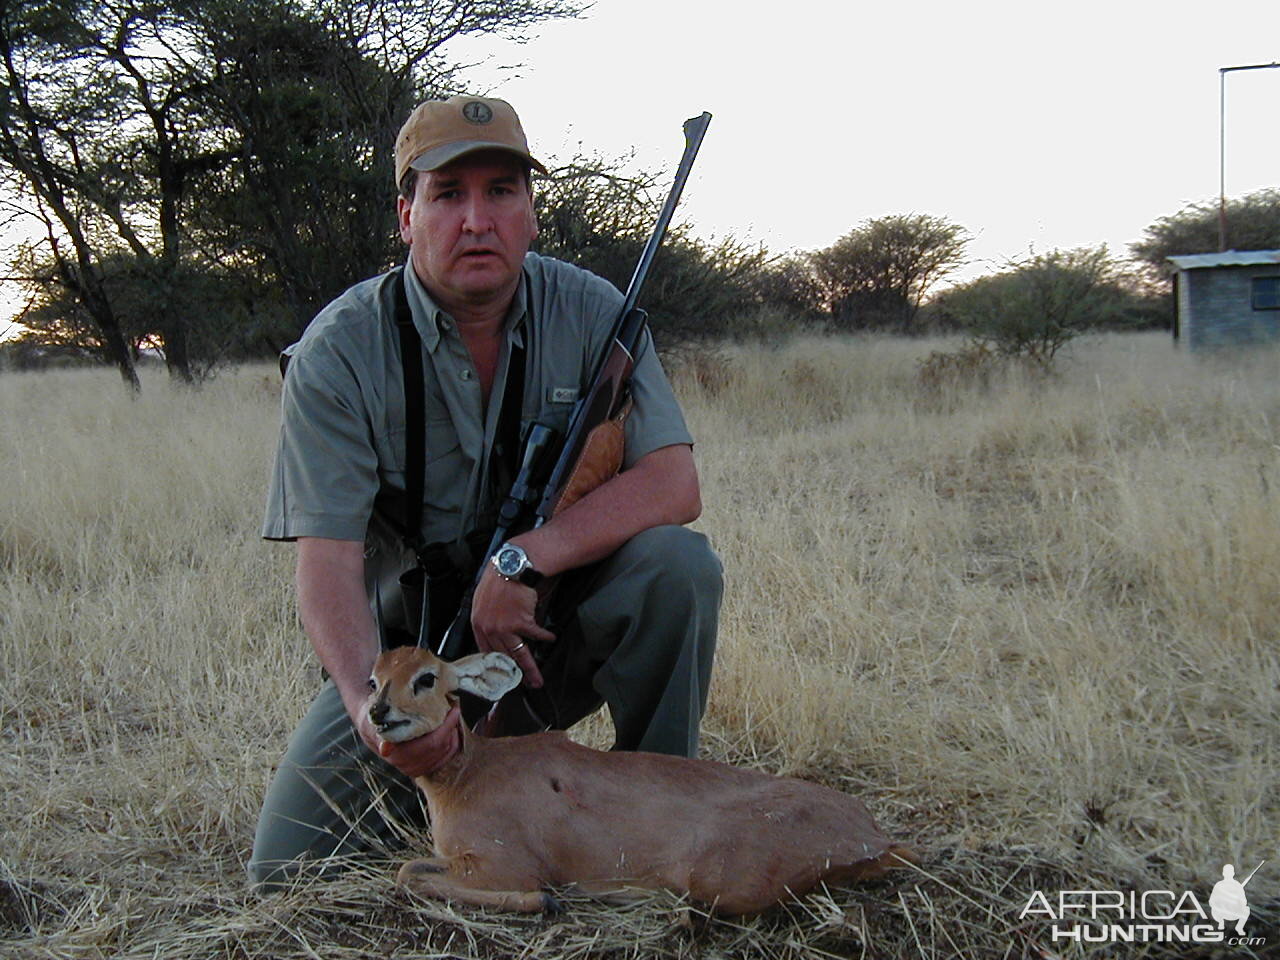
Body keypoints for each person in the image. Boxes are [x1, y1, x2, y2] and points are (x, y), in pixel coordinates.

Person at [249, 95, 722, 890]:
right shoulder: (338, 352)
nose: (478, 219)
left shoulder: (596, 314)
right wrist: (376, 714)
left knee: (678, 566)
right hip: (415, 665)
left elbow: (674, 483)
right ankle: (449, 786)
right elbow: (326, 565)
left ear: (532, 213)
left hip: (545, 634)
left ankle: (664, 809)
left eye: (502, 191)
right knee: (286, 872)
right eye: (448, 194)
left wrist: (524, 560)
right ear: (406, 215)